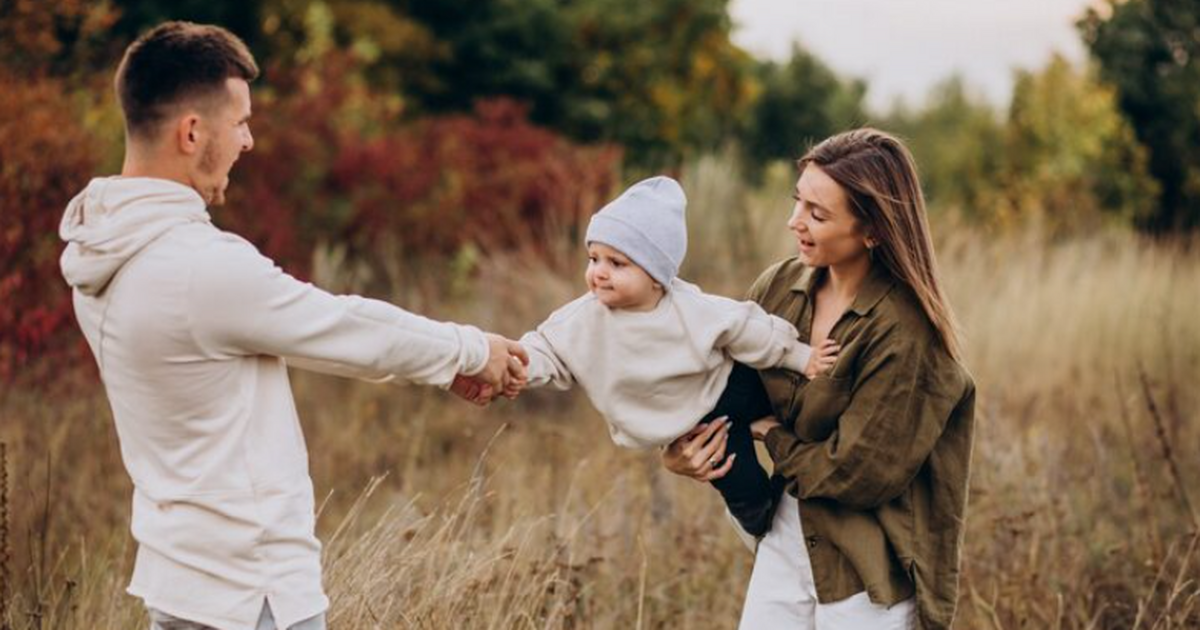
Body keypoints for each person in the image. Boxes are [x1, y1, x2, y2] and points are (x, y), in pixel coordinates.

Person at [58, 22, 526, 630]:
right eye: (241, 122)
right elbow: (348, 328)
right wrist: (470, 350)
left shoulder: (100, 251)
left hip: (178, 592)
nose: (248, 141)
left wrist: (447, 366)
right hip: (253, 597)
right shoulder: (199, 268)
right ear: (192, 132)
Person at [661, 129, 976, 630]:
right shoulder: (779, 288)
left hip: (870, 568)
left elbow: (858, 472)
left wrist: (772, 435)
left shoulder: (906, 331)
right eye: (798, 202)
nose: (794, 222)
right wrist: (684, 449)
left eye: (817, 214)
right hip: (786, 536)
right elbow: (723, 394)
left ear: (872, 231)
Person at [457, 176, 839, 537]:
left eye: (617, 263)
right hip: (699, 424)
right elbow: (546, 350)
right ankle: (768, 525)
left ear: (657, 275)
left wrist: (801, 357)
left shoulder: (689, 307)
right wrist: (510, 367)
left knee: (790, 402)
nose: (599, 273)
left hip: (728, 383)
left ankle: (823, 458)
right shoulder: (583, 320)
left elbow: (745, 328)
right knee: (742, 487)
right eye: (594, 258)